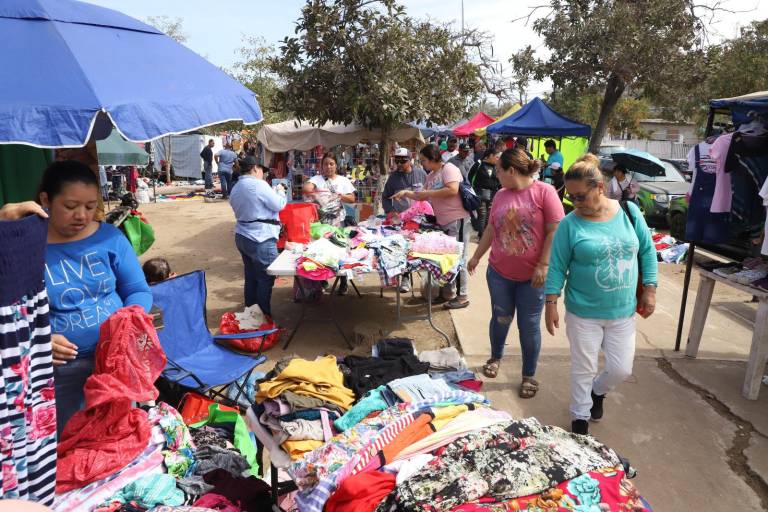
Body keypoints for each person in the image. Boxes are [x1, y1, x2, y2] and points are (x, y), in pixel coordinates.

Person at [29, 161, 153, 436]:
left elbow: (138, 290)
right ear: (45, 199)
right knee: (67, 442)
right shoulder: (24, 245)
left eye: (89, 206)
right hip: (57, 372)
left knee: (116, 436)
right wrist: (38, 340)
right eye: (71, 206)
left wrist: (128, 320)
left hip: (114, 363)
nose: (82, 216)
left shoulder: (110, 238)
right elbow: (9, 313)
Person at [544, 154, 657, 435]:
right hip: (583, 311)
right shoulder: (570, 224)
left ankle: (598, 391)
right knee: (583, 367)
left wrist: (651, 289)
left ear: (600, 188)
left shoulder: (630, 213)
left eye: (580, 196)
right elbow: (557, 266)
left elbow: (647, 251)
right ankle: (579, 419)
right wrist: (551, 302)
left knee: (621, 369)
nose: (575, 203)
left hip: (622, 310)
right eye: (570, 197)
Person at [467, 147, 564, 398]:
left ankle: (528, 374)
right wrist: (477, 256)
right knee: (500, 318)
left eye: (498, 170)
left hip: (533, 278)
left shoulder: (545, 192)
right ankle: (495, 357)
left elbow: (555, 231)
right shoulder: (500, 194)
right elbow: (490, 229)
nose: (495, 174)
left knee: (528, 326)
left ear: (511, 170)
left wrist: (544, 265)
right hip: (499, 273)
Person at [392, 144, 470, 309]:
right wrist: (405, 193)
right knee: (447, 257)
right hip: (442, 222)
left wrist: (429, 194)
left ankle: (462, 296)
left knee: (460, 258)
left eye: (424, 160)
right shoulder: (431, 175)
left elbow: (453, 190)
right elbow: (422, 195)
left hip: (458, 219)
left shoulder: (449, 169)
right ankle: (447, 293)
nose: (423, 164)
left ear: (433, 158)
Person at [230, 157, 287, 316]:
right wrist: (281, 191)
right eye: (262, 170)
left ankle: (251, 315)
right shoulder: (258, 185)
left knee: (251, 277)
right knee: (264, 279)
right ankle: (263, 318)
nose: (263, 173)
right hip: (260, 237)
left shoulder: (236, 187)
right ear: (255, 168)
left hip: (243, 235)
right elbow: (279, 205)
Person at [302, 153, 356, 295]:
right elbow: (306, 188)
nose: (329, 167)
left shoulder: (343, 180)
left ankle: (343, 282)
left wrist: (340, 196)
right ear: (322, 166)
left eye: (331, 164)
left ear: (336, 165)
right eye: (326, 164)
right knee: (321, 251)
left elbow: (352, 199)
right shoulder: (317, 179)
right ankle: (322, 280)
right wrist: (315, 193)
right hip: (321, 224)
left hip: (339, 222)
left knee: (341, 251)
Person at [467, 148, 502, 236]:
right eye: (497, 157)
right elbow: (470, 176)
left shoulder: (497, 166)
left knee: (490, 215)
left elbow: (499, 179)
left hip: (493, 195)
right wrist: (474, 187)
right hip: (480, 194)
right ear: (490, 156)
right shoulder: (479, 164)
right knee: (482, 214)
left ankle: (486, 235)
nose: (498, 159)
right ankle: (482, 235)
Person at [383, 147, 428, 214]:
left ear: (410, 160)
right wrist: (391, 211)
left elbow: (429, 194)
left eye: (402, 161)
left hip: (420, 216)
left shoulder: (421, 174)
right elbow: (385, 197)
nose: (399, 164)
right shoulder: (393, 178)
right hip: (401, 217)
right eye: (397, 161)